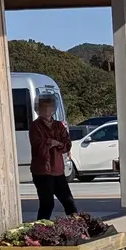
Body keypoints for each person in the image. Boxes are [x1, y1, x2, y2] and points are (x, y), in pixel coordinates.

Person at [28, 92, 77, 221]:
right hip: (42, 171)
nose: (47, 111)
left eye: (50, 108)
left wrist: (57, 143)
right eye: (43, 108)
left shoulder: (59, 126)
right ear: (38, 109)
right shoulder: (35, 125)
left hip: (58, 170)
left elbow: (67, 144)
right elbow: (38, 146)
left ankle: (79, 227)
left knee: (69, 202)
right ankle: (40, 230)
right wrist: (51, 142)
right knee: (47, 204)